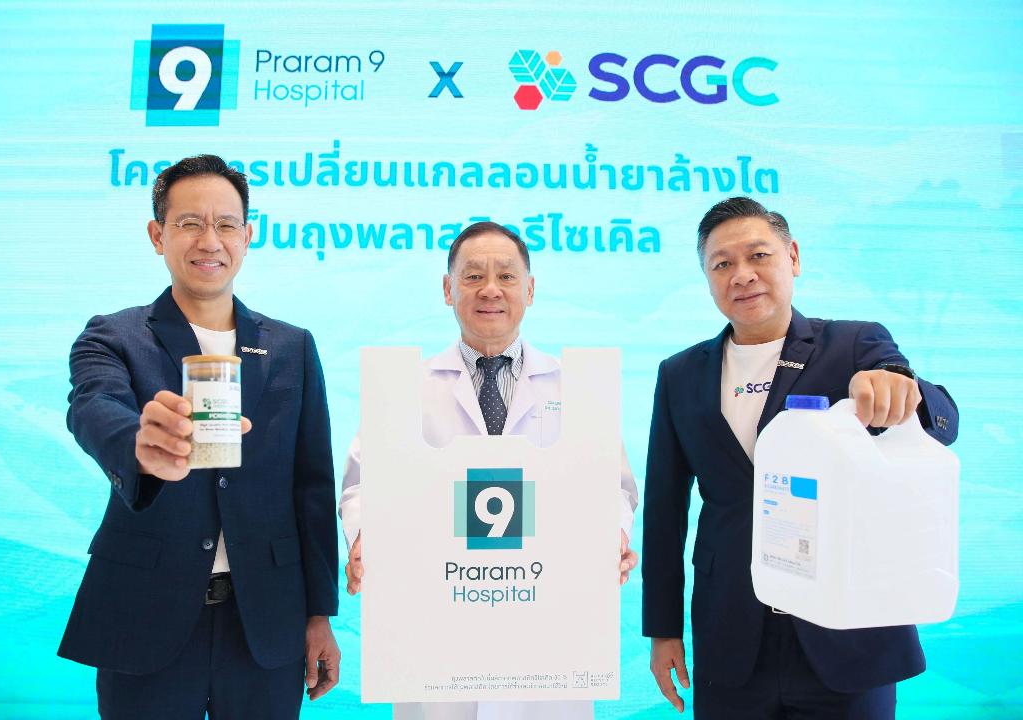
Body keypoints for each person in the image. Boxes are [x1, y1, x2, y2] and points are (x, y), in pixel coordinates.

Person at [641, 197, 959, 719]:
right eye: (722, 264)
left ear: (793, 257)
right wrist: (663, 630)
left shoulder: (854, 344)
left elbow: (942, 420)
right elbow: (664, 511)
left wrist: (903, 388)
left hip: (848, 630)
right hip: (732, 632)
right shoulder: (679, 374)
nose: (742, 275)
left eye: (758, 255)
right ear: (707, 279)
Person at [58, 154, 341, 719]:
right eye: (189, 223)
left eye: (226, 224)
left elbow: (312, 487)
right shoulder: (114, 336)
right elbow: (93, 407)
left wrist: (319, 614)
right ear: (157, 235)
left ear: (247, 237)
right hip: (145, 614)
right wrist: (142, 444)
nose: (210, 240)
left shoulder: (291, 347)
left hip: (265, 621)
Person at [339, 221, 639, 720]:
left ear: (531, 289)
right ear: (447, 289)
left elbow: (614, 487)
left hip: (548, 631)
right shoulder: (404, 388)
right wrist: (365, 536)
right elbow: (361, 485)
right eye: (474, 276)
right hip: (436, 631)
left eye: (507, 276)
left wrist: (612, 535)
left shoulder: (576, 387)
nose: (491, 289)